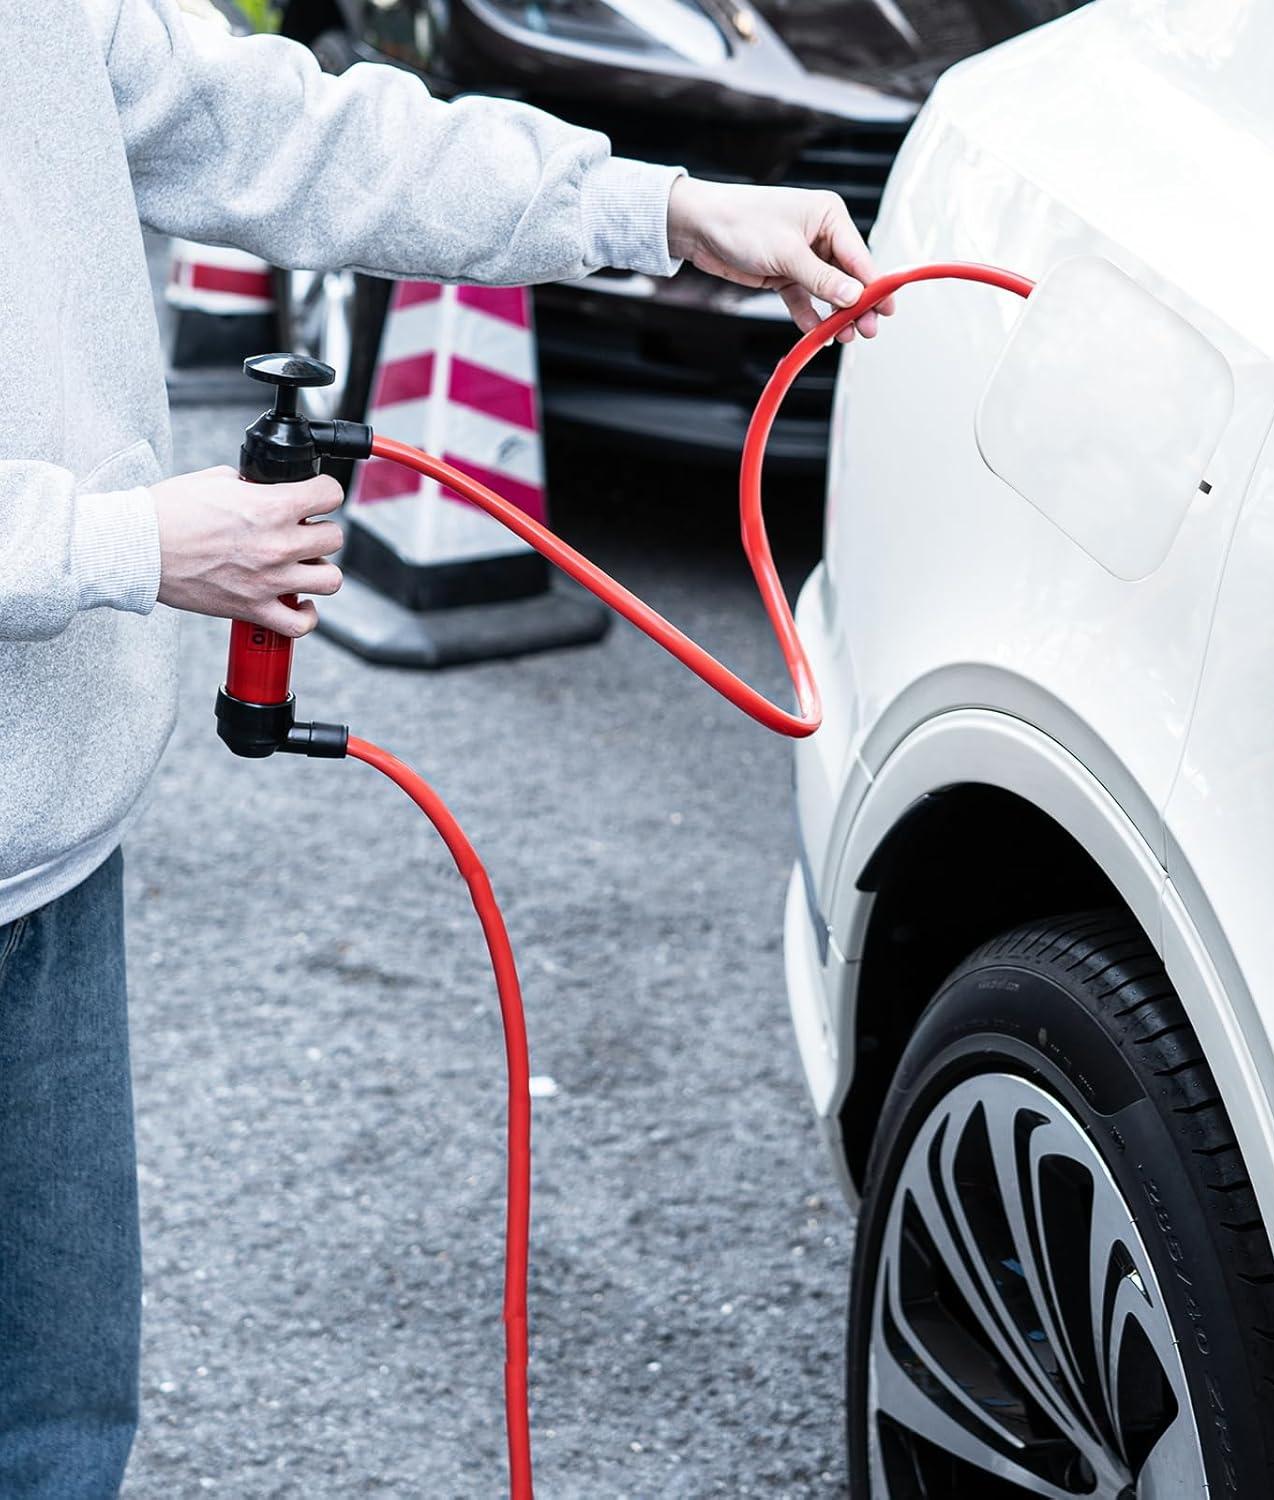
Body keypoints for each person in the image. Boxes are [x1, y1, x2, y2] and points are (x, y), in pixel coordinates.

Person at [0, 2, 891, 1493]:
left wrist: (658, 208)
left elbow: (295, 129)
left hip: (53, 845)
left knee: (58, 1429)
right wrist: (120, 543)